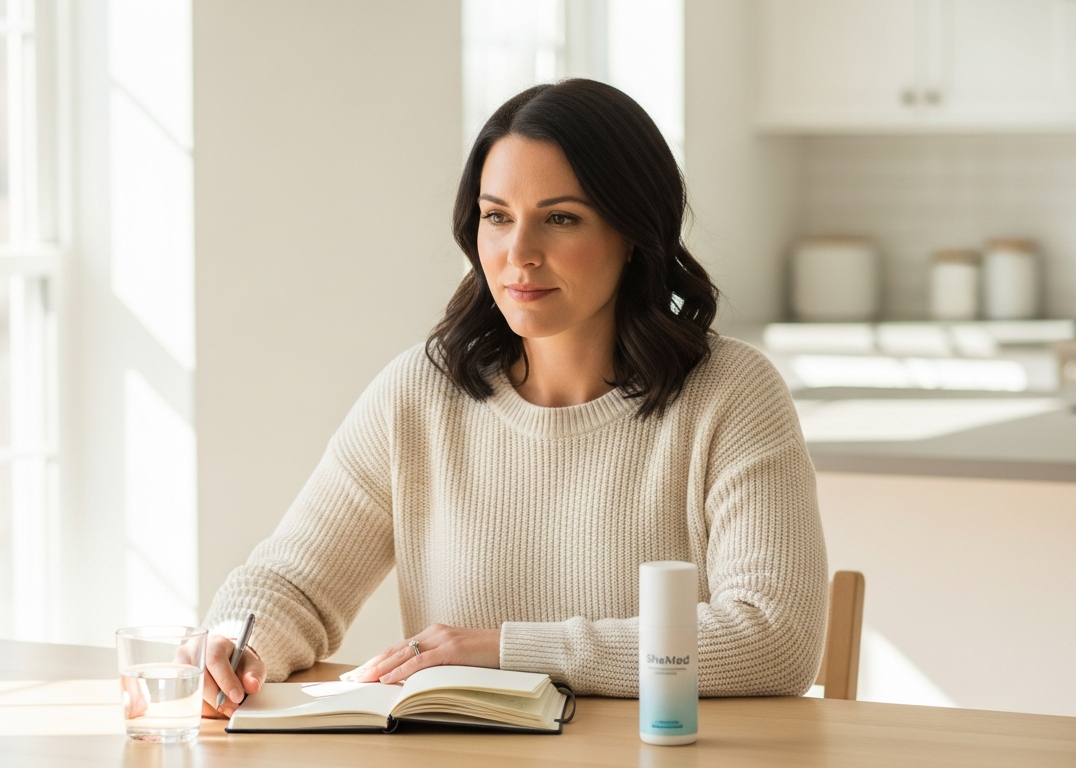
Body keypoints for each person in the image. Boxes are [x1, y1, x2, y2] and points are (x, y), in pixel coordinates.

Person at [200, 79, 827, 719]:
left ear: (632, 232)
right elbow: (296, 583)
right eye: (497, 216)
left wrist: (507, 649)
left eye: (561, 218)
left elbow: (775, 637)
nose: (518, 254)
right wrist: (231, 640)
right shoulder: (419, 394)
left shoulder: (732, 393)